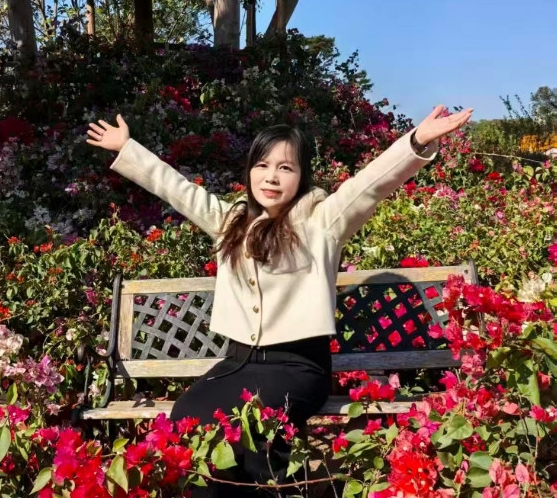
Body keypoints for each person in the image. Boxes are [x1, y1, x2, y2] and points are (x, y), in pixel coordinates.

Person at [87, 105, 473, 496]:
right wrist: (128, 148)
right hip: (239, 362)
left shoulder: (323, 221)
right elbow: (179, 190)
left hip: (297, 367)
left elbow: (371, 183)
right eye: (262, 165)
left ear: (302, 176)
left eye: (285, 168)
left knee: (255, 430)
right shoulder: (233, 221)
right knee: (187, 416)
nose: (271, 177)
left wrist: (416, 141)